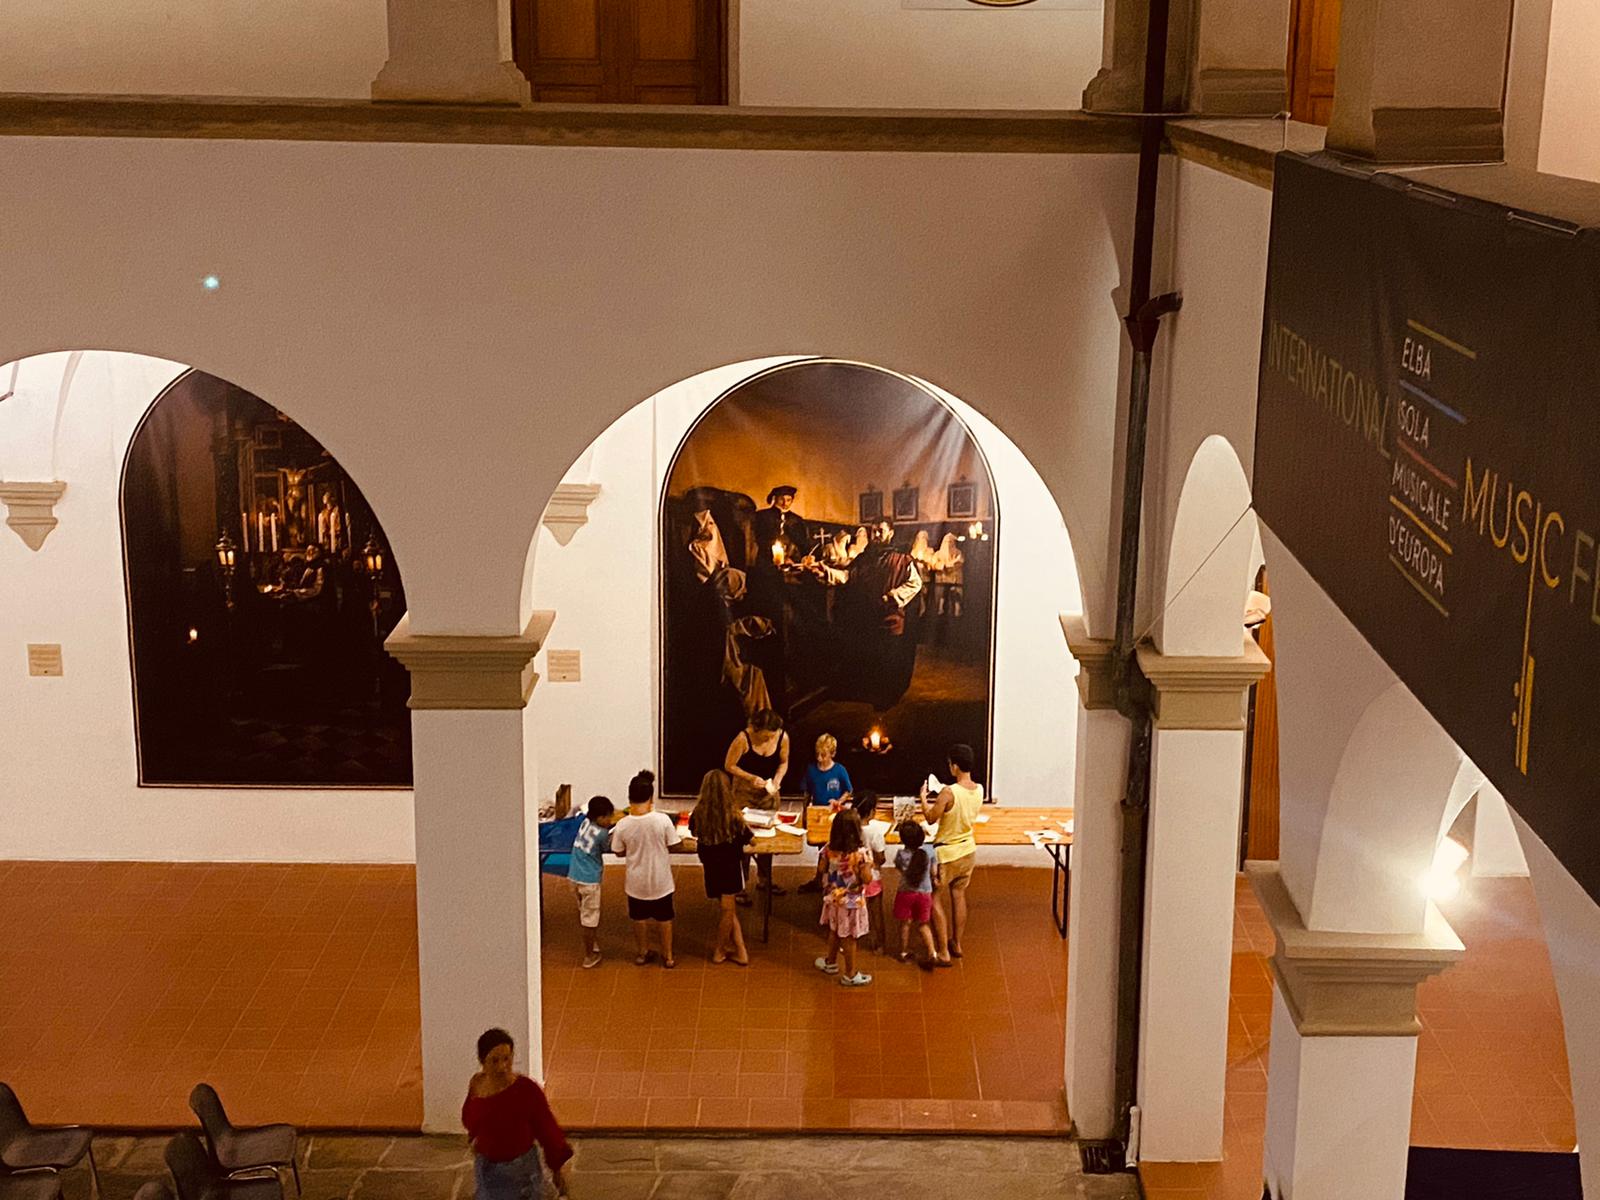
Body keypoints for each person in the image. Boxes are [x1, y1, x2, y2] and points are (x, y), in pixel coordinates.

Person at [462, 1027, 573, 1200]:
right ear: (482, 1061)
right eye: (494, 1061)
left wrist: (557, 1168)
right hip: (487, 1169)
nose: (502, 1067)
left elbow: (547, 1129)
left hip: (521, 1171)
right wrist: (476, 1138)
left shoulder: (526, 1090)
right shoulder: (477, 1085)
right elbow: (470, 1118)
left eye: (507, 1059)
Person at [838, 519, 922, 709]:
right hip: (867, 616)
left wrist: (893, 596)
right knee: (870, 655)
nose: (876, 535)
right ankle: (870, 693)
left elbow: (915, 583)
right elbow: (847, 576)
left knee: (889, 657)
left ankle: (887, 696)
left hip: (889, 617)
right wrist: (826, 573)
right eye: (873, 531)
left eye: (880, 531)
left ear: (890, 533)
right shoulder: (863, 559)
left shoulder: (902, 559)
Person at [609, 769, 681, 968]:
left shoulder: (623, 825)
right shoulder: (662, 820)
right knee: (665, 919)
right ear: (651, 797)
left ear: (629, 797)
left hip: (636, 882)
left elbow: (618, 851)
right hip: (661, 881)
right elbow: (674, 844)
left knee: (639, 918)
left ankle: (642, 953)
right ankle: (668, 956)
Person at [920, 743, 985, 965]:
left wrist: (923, 799)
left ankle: (942, 952)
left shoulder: (949, 792)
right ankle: (956, 943)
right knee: (959, 895)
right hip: (968, 850)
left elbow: (931, 818)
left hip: (946, 854)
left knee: (934, 898)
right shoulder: (979, 789)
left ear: (955, 766)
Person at [688, 770, 753, 966]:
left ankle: (741, 951)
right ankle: (720, 950)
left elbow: (693, 831)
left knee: (727, 909)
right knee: (728, 910)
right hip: (730, 868)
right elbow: (749, 838)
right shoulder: (733, 816)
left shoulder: (699, 814)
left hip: (711, 867)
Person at [814, 808, 874, 988]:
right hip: (851, 902)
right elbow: (867, 879)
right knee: (849, 937)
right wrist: (868, 866)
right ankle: (850, 974)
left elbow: (821, 869)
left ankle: (830, 962)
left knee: (834, 931)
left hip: (833, 899)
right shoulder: (861, 854)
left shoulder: (828, 849)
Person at [567, 795, 619, 970]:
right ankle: (589, 955)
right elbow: (608, 847)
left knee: (583, 912)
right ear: (600, 817)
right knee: (590, 920)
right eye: (608, 817)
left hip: (573, 875)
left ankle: (592, 944)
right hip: (589, 880)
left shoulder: (585, 822)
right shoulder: (602, 834)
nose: (610, 820)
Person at [893, 822, 941, 969]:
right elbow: (934, 872)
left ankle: (903, 952)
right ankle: (932, 953)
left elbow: (900, 868)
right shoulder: (929, 852)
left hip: (905, 892)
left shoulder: (901, 855)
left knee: (905, 923)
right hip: (924, 893)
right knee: (923, 924)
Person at [723, 709, 789, 811]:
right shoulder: (743, 739)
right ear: (755, 730)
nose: (769, 739)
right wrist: (751, 778)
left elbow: (783, 762)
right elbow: (729, 765)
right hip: (744, 793)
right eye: (765, 736)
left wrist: (777, 779)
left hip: (769, 793)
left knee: (770, 819)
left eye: (772, 736)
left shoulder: (782, 737)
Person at [801, 733, 853, 810]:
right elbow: (807, 793)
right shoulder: (811, 770)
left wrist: (839, 801)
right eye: (817, 754)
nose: (819, 758)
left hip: (834, 810)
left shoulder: (840, 770)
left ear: (833, 754)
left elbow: (848, 790)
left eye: (823, 755)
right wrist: (805, 811)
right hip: (817, 809)